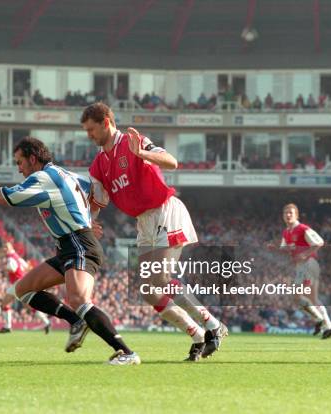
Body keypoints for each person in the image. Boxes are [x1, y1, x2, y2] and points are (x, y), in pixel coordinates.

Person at [0, 137, 140, 365]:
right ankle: (77, 321)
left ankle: (126, 353)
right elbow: (95, 193)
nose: (18, 168)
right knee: (24, 290)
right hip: (69, 246)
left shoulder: (43, 178)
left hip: (78, 244)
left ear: (33, 159)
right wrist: (87, 219)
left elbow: (4, 198)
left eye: (20, 162)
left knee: (78, 298)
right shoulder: (65, 174)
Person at [81, 103, 227, 362]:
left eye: (91, 129)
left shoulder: (132, 142)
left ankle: (213, 325)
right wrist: (90, 220)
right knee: (149, 290)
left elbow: (172, 162)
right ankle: (196, 334)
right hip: (143, 221)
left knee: (160, 279)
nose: (89, 135)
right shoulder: (98, 164)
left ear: (106, 122)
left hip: (164, 211)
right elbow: (99, 199)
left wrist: (143, 154)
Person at [278, 203, 331, 339]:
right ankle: (325, 324)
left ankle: (321, 321)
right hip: (300, 267)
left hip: (309, 263)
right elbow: (284, 249)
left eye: (290, 213)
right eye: (285, 213)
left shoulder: (303, 229)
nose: (288, 215)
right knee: (300, 297)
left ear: (296, 215)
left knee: (304, 296)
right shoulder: (286, 232)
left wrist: (305, 254)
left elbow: (319, 242)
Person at [0, 241, 51, 334]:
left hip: (17, 283)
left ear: (11, 248)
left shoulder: (10, 257)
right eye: (4, 247)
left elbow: (12, 268)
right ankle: (46, 322)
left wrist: (3, 267)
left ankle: (8, 326)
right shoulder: (17, 256)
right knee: (28, 305)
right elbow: (26, 266)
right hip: (23, 282)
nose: (4, 249)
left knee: (4, 304)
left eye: (6, 247)